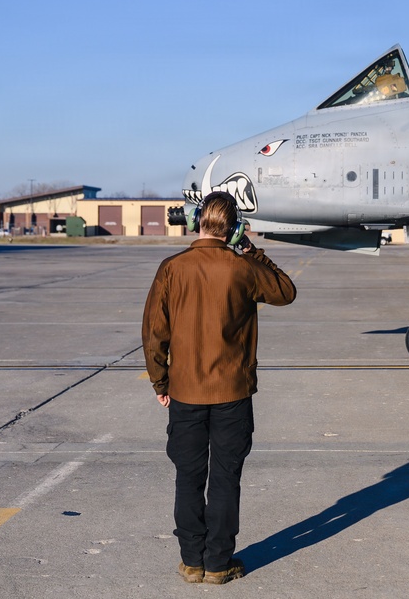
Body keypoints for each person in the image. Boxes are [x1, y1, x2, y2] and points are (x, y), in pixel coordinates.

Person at [142, 192, 296, 585]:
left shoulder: (172, 268)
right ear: (232, 226)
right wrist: (250, 250)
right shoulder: (242, 267)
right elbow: (285, 291)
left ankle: (192, 561)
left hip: (185, 392)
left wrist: (162, 381)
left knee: (188, 477)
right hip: (232, 393)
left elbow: (154, 333)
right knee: (226, 477)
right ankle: (218, 564)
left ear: (198, 223)